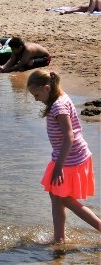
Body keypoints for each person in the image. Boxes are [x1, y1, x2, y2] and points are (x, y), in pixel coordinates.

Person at [26, 70, 100, 244]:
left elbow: (69, 136)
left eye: (36, 95)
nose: (36, 99)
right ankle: (59, 238)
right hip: (64, 156)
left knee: (64, 198)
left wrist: (59, 167)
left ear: (46, 88)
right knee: (55, 195)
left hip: (71, 159)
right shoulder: (60, 97)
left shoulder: (58, 106)